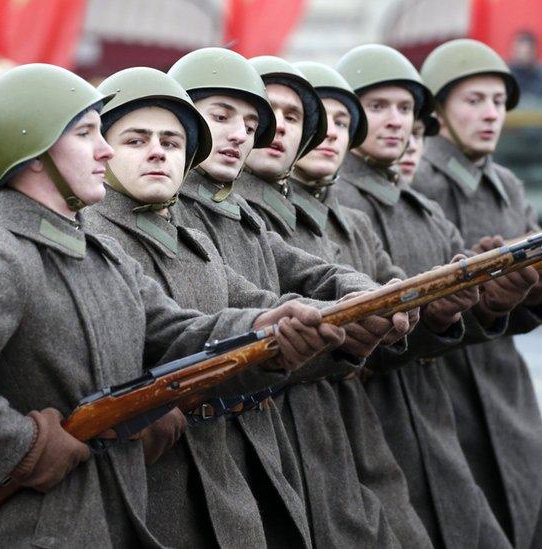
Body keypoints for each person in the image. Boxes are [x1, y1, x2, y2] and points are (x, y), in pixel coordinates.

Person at [0, 62, 344, 547]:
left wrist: (267, 329)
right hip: (37, 531)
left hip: (107, 515)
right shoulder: (1, 257)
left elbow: (176, 334)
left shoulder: (102, 255)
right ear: (35, 153)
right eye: (85, 134)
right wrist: (24, 447)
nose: (105, 149)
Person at [81, 66, 346, 548]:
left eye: (171, 141)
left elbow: (254, 300)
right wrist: (32, 446)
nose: (158, 151)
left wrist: (334, 321)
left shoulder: (191, 234)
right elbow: (160, 332)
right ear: (102, 148)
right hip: (150, 475)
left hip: (226, 458)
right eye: (136, 140)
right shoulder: (93, 235)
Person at [167, 47, 411, 547]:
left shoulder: (239, 214)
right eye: (220, 116)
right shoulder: (178, 216)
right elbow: (221, 318)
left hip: (275, 435)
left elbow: (313, 274)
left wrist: (362, 298)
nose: (244, 133)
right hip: (204, 448)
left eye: (250, 121)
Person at [335, 43, 535, 548]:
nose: (395, 121)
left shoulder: (420, 208)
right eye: (377, 108)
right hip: (372, 425)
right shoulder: (337, 204)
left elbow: (472, 311)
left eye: (405, 109)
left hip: (433, 417)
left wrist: (495, 295)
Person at [234, 56, 429, 548]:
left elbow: (367, 283)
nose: (277, 129)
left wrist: (426, 307)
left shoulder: (326, 218)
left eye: (296, 117)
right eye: (264, 115)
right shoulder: (234, 213)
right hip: (266, 429)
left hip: (341, 422)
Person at [417, 38, 542, 547]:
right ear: (439, 110)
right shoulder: (419, 185)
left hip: (510, 395)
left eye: (497, 101)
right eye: (473, 101)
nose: (491, 114)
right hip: (444, 399)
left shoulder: (507, 184)